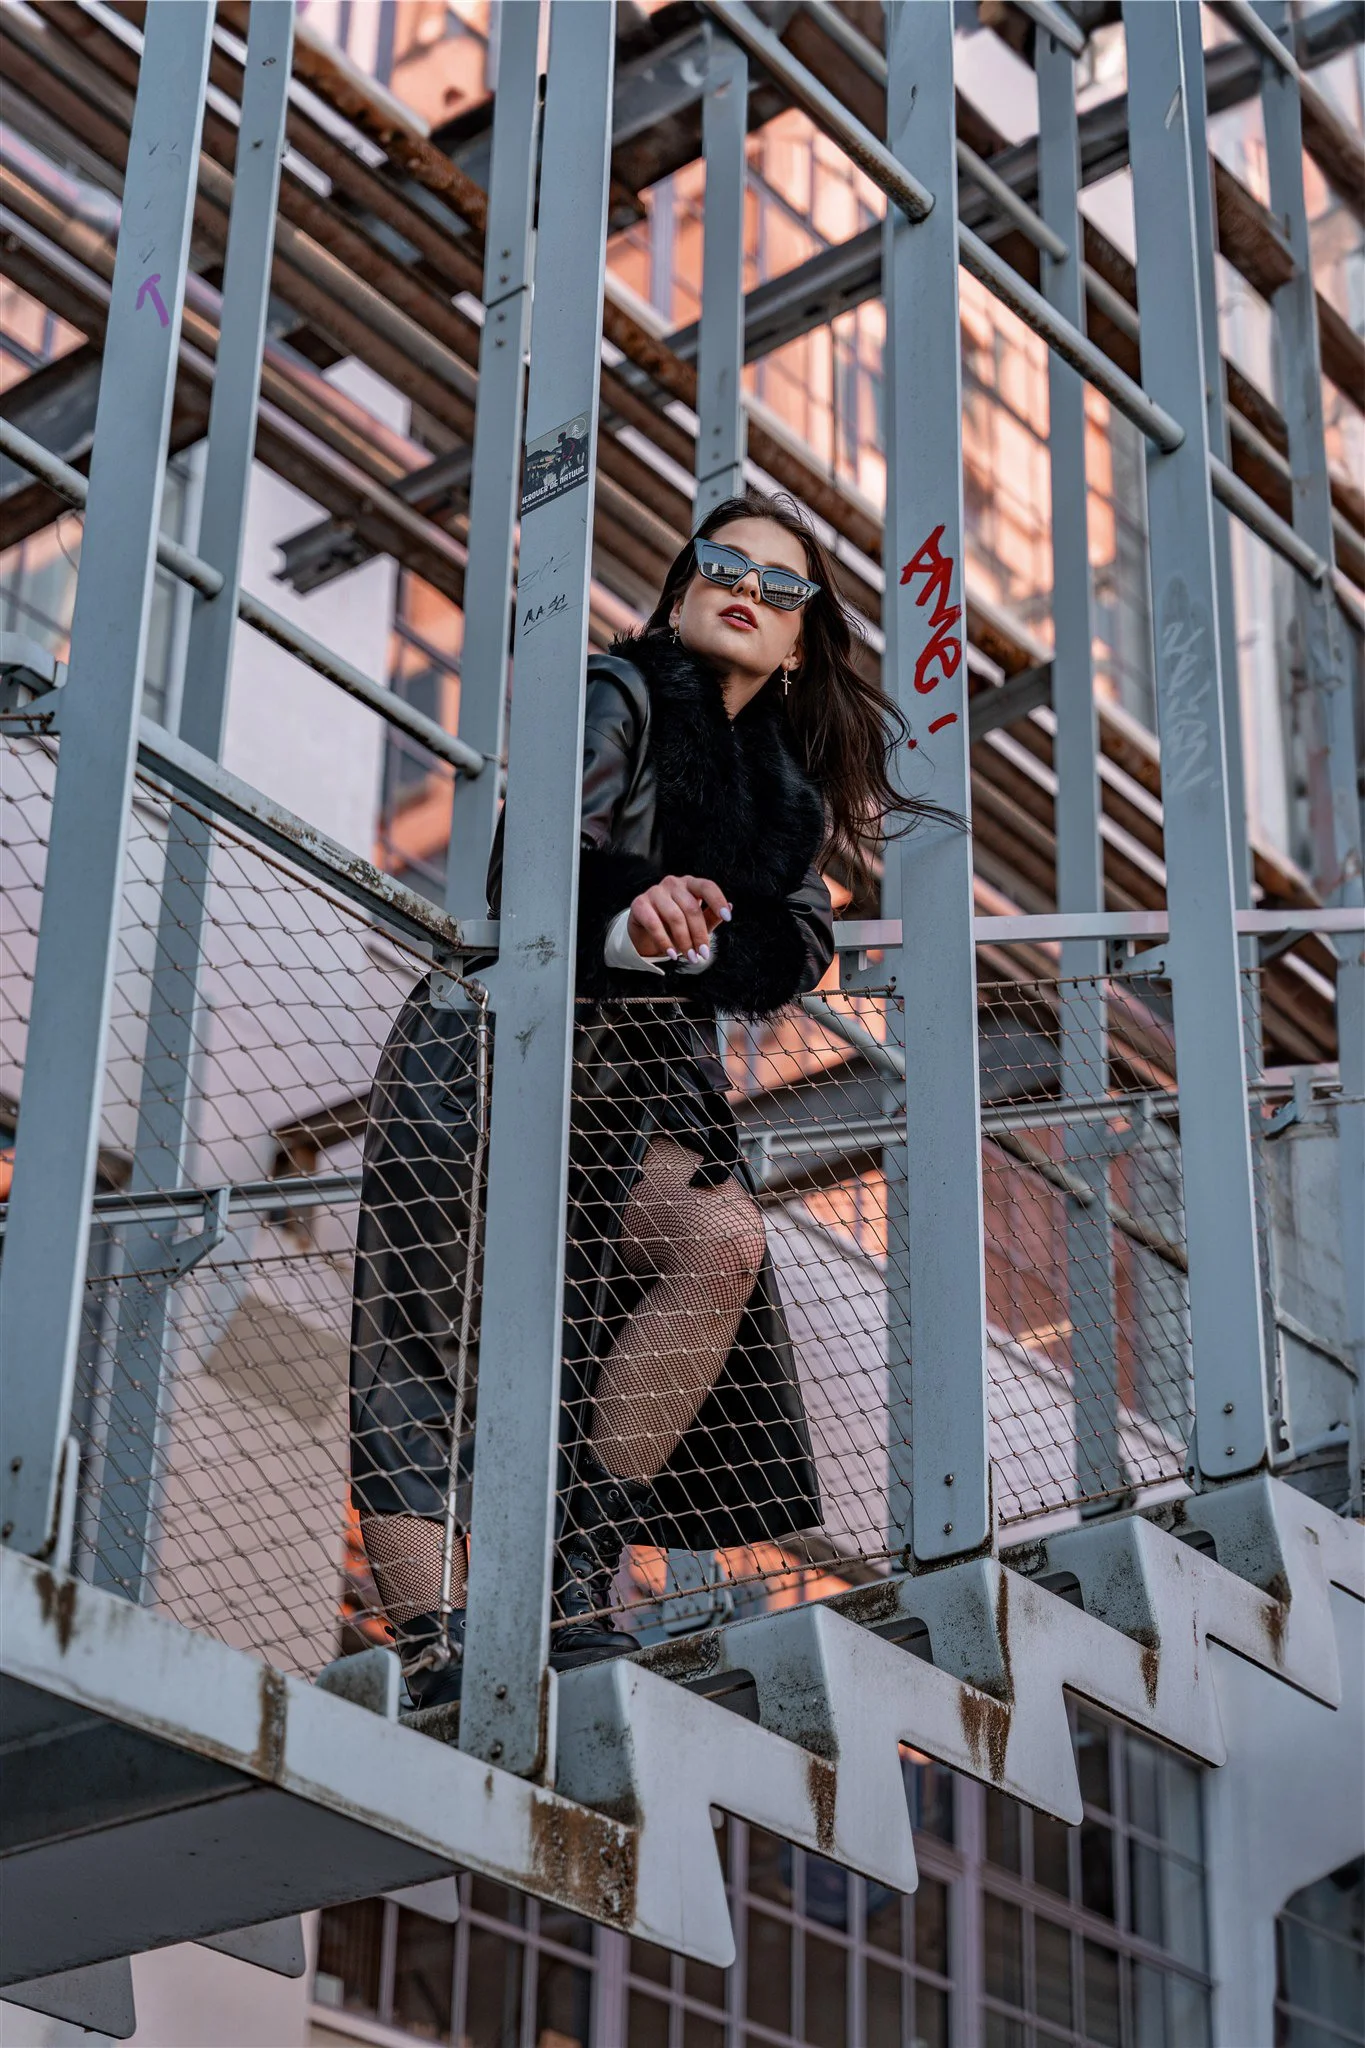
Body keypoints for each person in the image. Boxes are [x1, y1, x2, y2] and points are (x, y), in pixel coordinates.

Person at [349, 490, 944, 1710]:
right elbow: (540, 862)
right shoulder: (617, 694)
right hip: (495, 1043)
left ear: (798, 643)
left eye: (785, 588)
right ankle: (433, 1645)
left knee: (722, 1242)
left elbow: (795, 942)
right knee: (421, 1349)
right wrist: (633, 914)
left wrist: (705, 934)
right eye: (726, 564)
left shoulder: (784, 802)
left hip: (635, 1082)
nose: (752, 588)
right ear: (679, 592)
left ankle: (574, 1568)